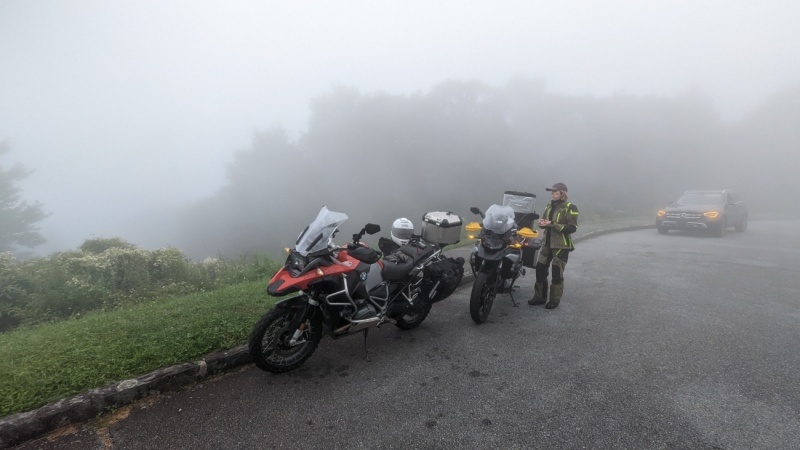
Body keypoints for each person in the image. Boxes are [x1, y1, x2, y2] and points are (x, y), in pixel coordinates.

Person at [528, 182, 579, 310]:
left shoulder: (571, 207)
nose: (553, 194)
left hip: (561, 246)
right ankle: (540, 297)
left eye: (555, 192)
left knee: (556, 273)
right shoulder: (549, 206)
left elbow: (572, 228)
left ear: (563, 193)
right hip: (546, 244)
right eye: (552, 192)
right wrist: (542, 223)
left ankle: (554, 300)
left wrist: (552, 224)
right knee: (540, 269)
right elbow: (544, 222)